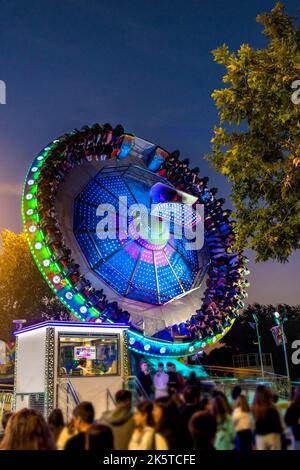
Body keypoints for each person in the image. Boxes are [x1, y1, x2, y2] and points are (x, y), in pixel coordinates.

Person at [251, 385, 282, 450]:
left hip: (260, 436)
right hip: (273, 435)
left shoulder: (254, 409)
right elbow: (279, 423)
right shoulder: (273, 408)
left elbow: (252, 425)